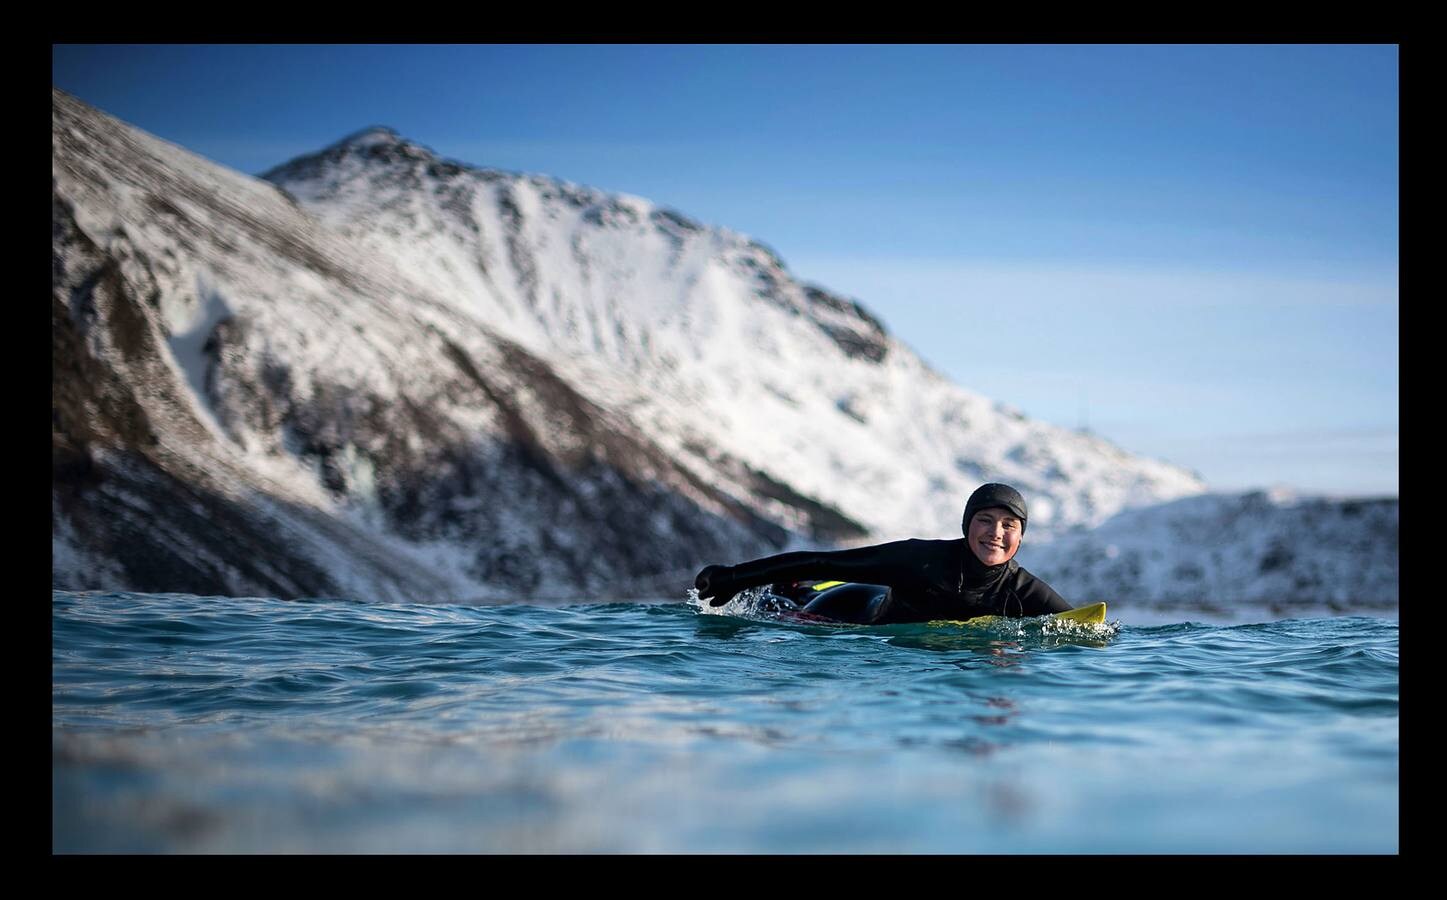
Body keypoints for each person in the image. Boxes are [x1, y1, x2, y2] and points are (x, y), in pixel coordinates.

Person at [694, 483, 1072, 624]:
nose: (996, 534)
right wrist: (732, 577)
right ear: (966, 526)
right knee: (788, 605)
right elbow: (825, 561)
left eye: (1009, 526)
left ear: (1020, 538)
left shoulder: (1021, 589)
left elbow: (1081, 627)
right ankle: (794, 589)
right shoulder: (921, 561)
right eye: (985, 520)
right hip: (850, 611)